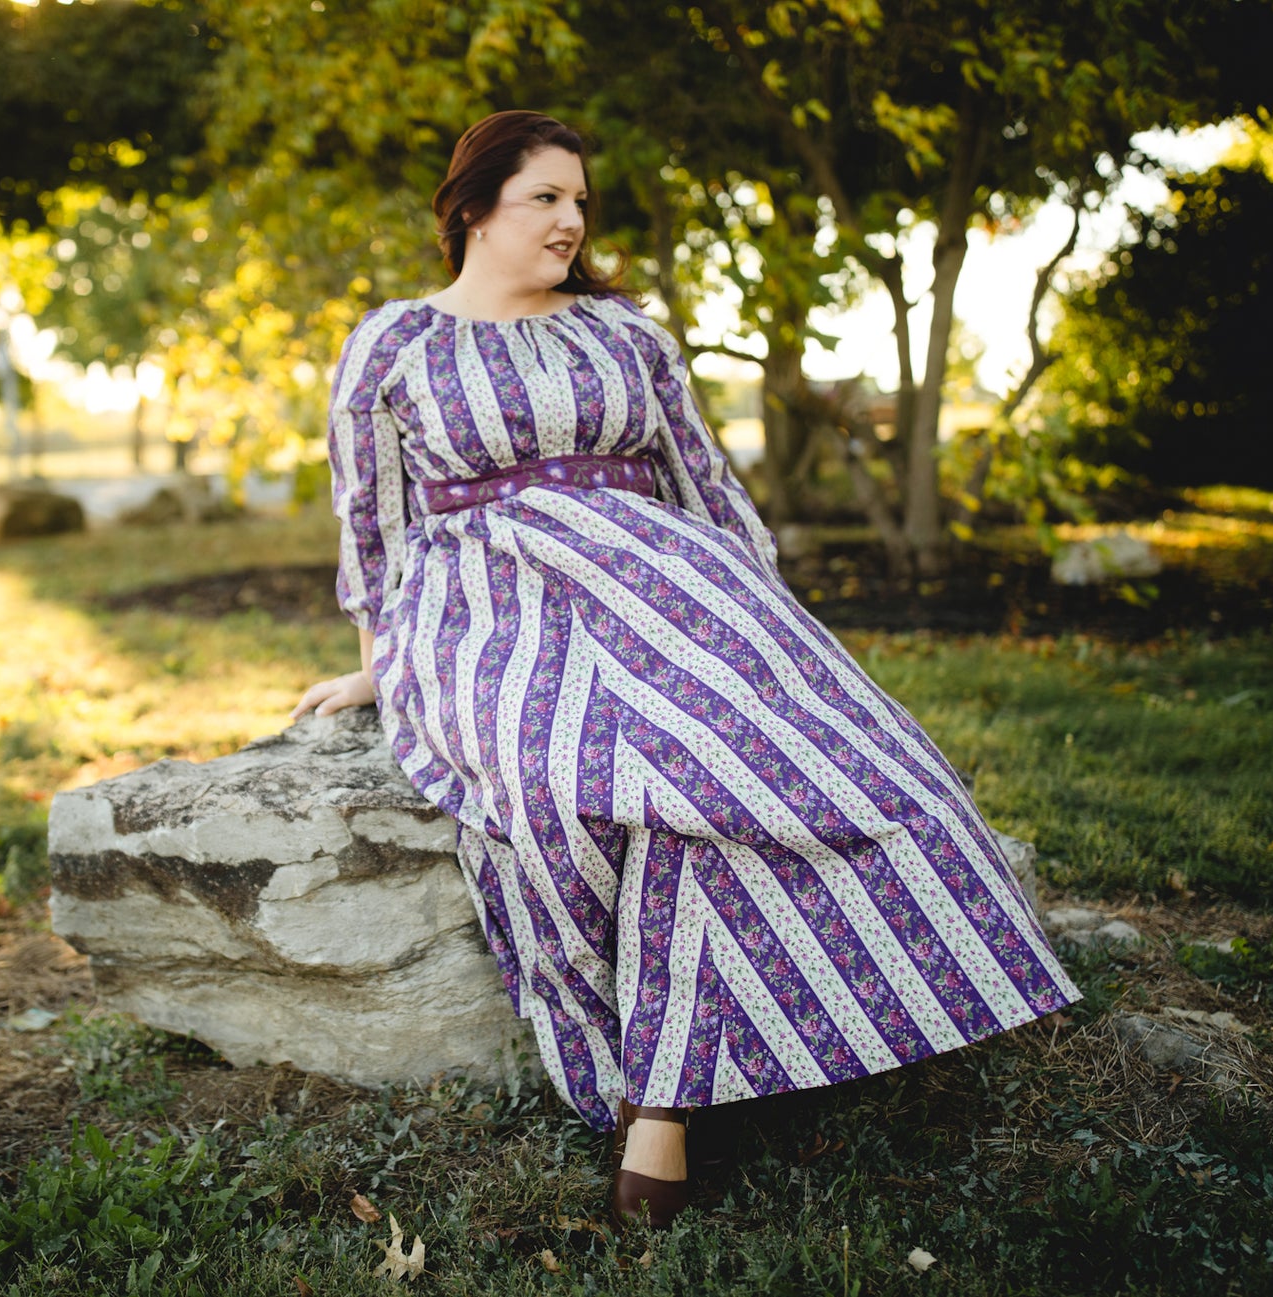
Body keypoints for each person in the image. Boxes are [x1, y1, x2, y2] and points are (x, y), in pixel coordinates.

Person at [292, 110, 1082, 1229]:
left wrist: (762, 621)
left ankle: (659, 1097)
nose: (571, 220)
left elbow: (704, 486)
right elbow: (370, 526)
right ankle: (657, 1071)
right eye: (545, 199)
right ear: (472, 207)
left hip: (665, 585)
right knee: (558, 783)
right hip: (487, 601)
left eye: (579, 201)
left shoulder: (625, 334)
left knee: (731, 763)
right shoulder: (395, 344)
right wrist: (381, 667)